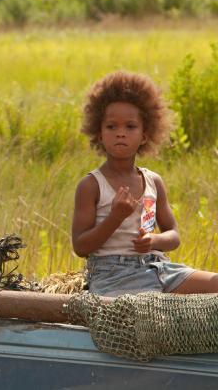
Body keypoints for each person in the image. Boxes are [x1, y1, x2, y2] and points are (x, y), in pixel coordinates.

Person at [71, 71, 218, 297]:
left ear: (145, 135)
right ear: (99, 134)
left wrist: (154, 240)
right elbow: (81, 247)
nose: (121, 133)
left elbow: (174, 235)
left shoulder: (153, 181)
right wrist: (115, 217)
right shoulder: (91, 186)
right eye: (111, 127)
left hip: (158, 268)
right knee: (149, 314)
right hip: (112, 275)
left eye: (130, 127)